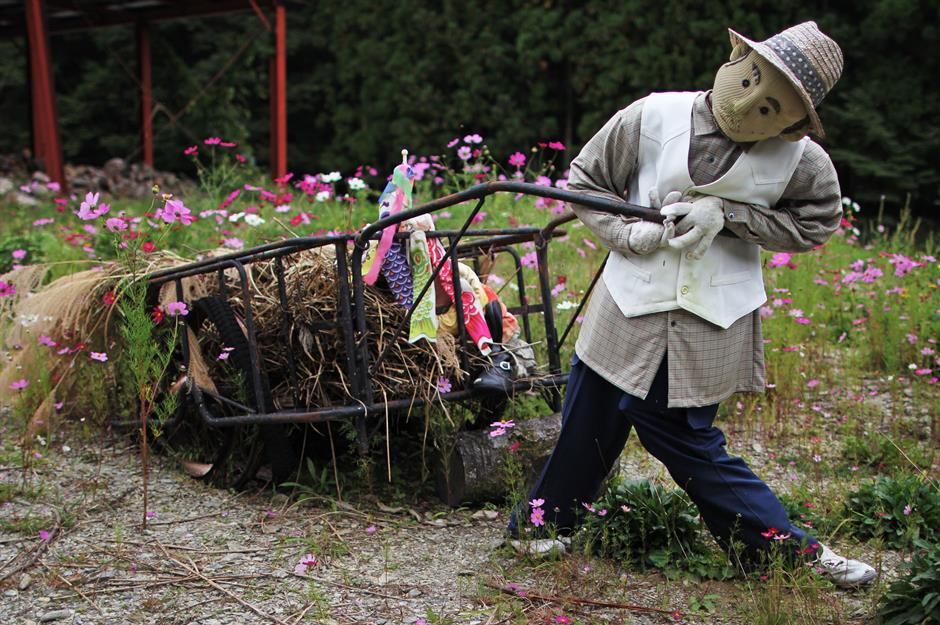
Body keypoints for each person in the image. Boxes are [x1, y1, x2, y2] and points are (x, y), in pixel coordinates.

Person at [507, 21, 877, 588]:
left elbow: (816, 224)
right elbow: (585, 180)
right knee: (590, 416)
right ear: (734, 57)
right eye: (750, 81)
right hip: (627, 301)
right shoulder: (653, 116)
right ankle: (542, 525)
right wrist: (628, 234)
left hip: (710, 316)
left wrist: (728, 216)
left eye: (771, 107)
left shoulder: (801, 162)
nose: (748, 104)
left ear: (795, 123)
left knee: (679, 431)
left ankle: (784, 551)